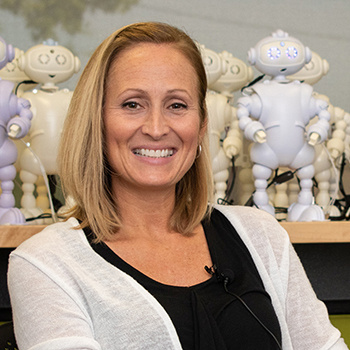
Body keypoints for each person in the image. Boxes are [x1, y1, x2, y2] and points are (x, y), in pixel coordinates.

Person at [7, 22, 347, 350]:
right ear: (95, 120)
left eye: (177, 105)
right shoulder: (45, 265)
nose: (156, 128)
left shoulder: (263, 236)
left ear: (200, 124)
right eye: (132, 104)